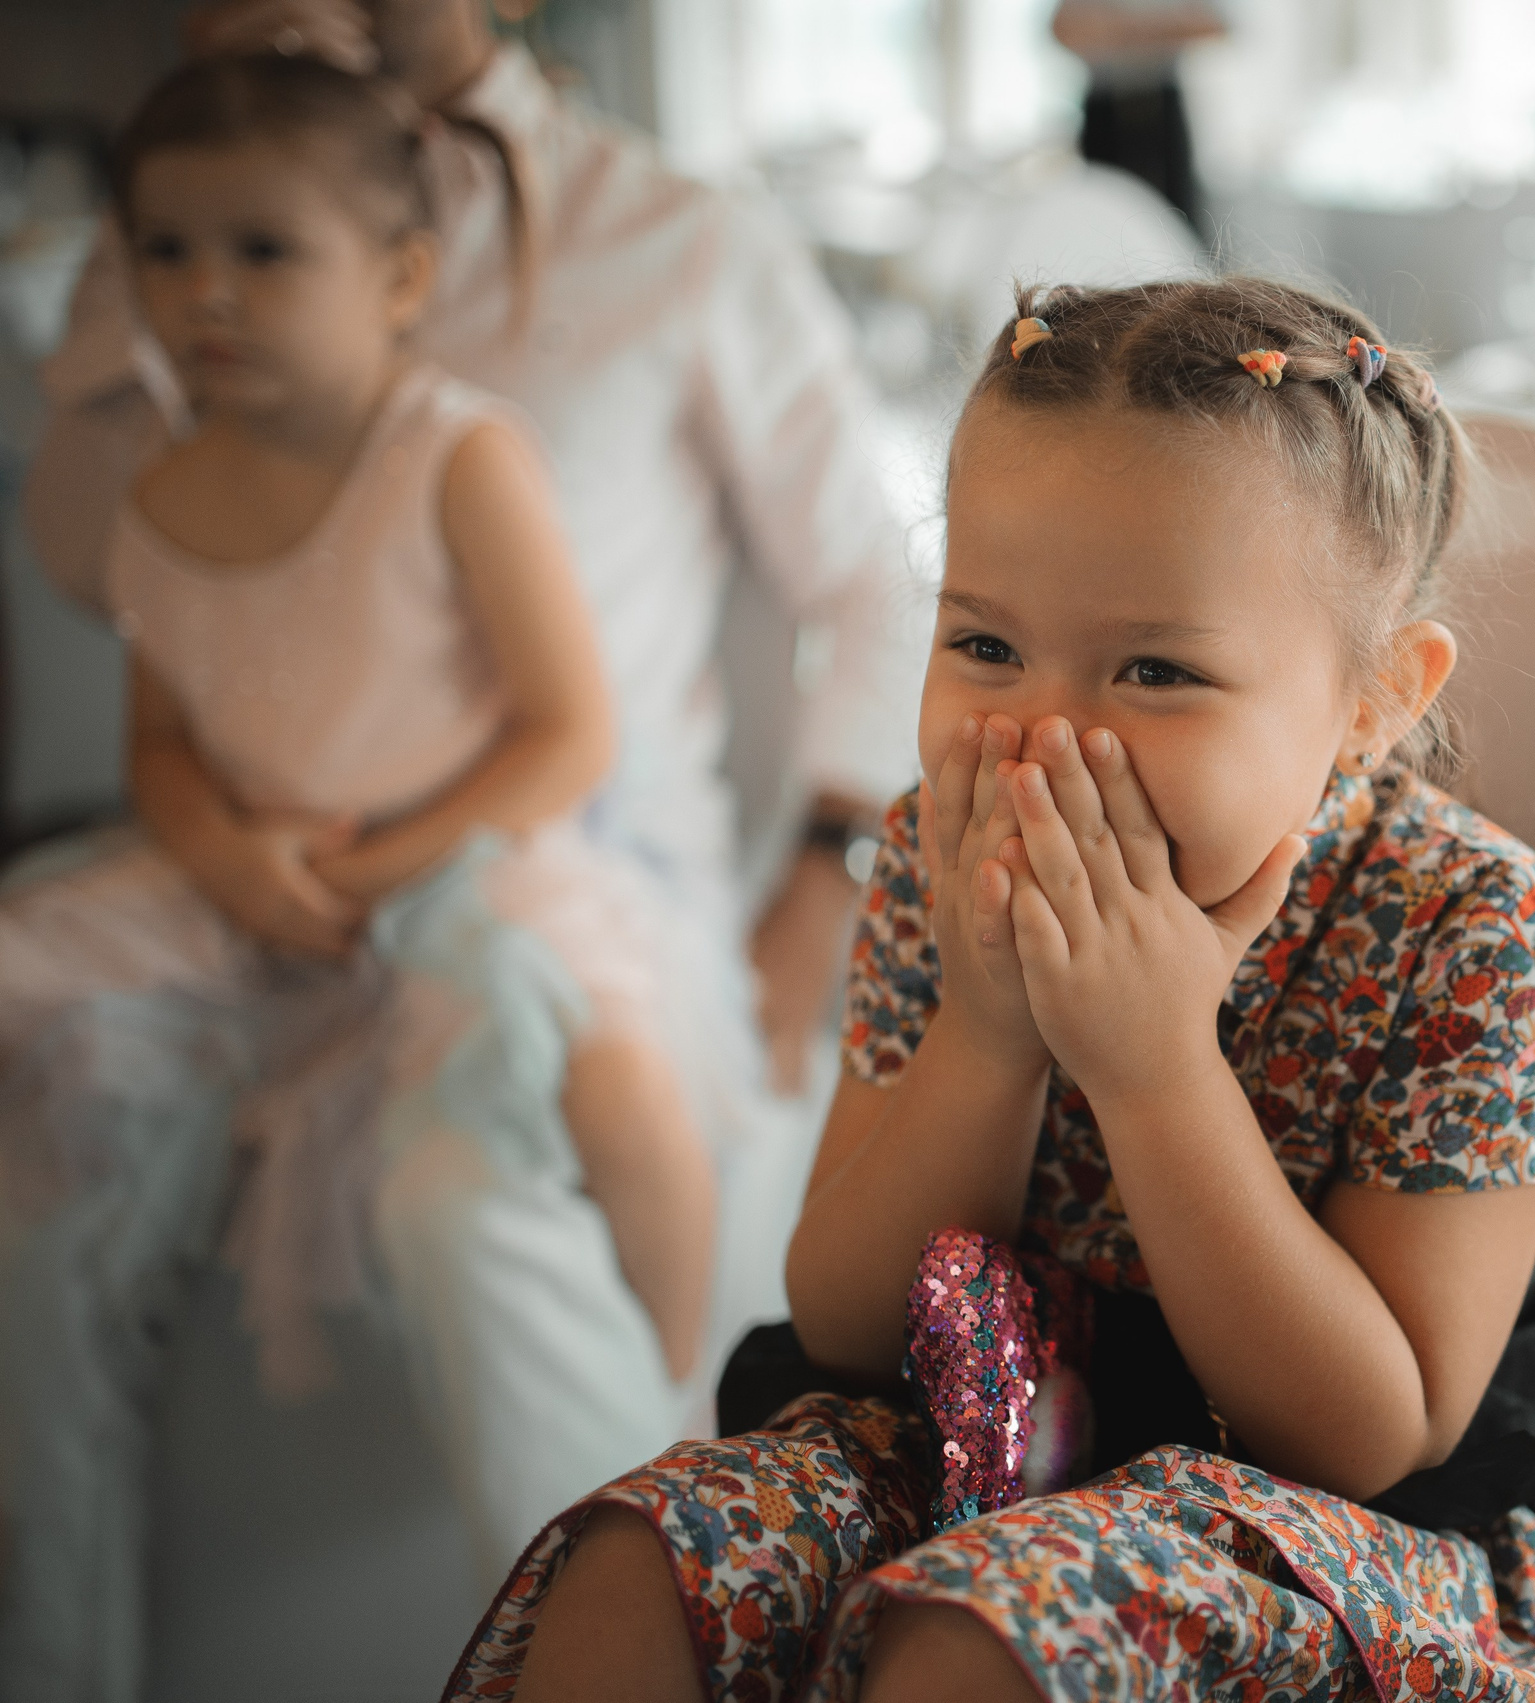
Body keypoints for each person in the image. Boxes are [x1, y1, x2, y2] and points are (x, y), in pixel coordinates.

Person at [442, 278, 1535, 1702]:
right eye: (985, 644)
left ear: (1372, 700)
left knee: (973, 1635)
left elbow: (1372, 1432)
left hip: (1352, 1536)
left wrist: (1153, 1068)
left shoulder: (1477, 931)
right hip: (985, 1431)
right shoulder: (936, 855)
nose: (1044, 735)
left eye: (1156, 669)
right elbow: (843, 1318)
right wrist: (989, 1033)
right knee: (638, 1564)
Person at [9, 0, 916, 1690]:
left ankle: (649, 1632)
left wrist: (831, 868)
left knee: (461, 1179)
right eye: (174, 251)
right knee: (36, 1198)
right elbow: (95, 563)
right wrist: (166, 254)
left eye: (256, 249)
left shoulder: (667, 234)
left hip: (548, 872)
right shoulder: (186, 260)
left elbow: (871, 576)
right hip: (242, 888)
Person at [1051, 0, 1227, 237]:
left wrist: (1117, 33)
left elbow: (1212, 26)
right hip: (1106, 105)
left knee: (1178, 218)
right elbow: (1064, 30)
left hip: (1161, 101)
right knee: (1101, 207)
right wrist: (1157, 32)